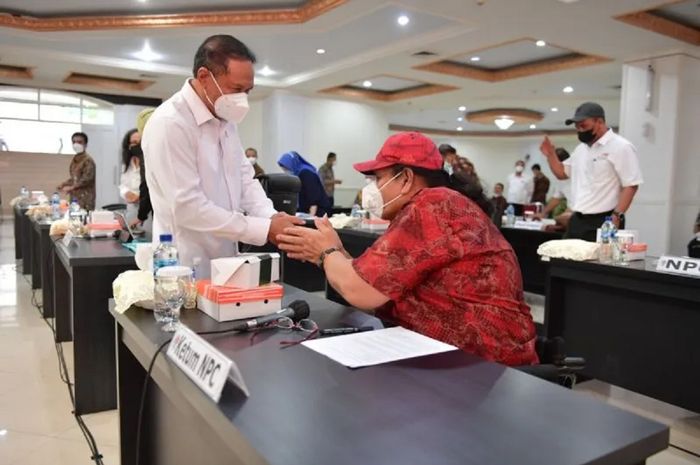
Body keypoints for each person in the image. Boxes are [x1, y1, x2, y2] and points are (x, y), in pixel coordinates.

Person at [276, 132, 538, 366]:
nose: (372, 188)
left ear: (406, 178)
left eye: (378, 178)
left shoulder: (433, 204)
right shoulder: (435, 205)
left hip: (480, 363)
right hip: (463, 355)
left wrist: (325, 253)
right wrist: (336, 251)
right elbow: (377, 285)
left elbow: (361, 292)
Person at [142, 34, 302, 275]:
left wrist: (271, 217)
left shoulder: (224, 117)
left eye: (247, 91)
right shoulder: (170, 123)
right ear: (204, 77)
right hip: (182, 267)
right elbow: (187, 207)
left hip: (227, 261)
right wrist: (263, 228)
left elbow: (245, 178)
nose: (242, 100)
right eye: (236, 89)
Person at [540, 102, 643, 241]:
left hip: (604, 220)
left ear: (599, 122)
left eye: (584, 126)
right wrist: (550, 154)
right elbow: (561, 173)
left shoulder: (621, 147)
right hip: (577, 218)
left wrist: (616, 216)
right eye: (577, 127)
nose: (580, 130)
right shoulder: (581, 150)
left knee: (596, 262)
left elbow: (631, 185)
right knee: (563, 260)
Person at [278, 151, 332, 217]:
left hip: (317, 213)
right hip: (309, 212)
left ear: (293, 164)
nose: (285, 171)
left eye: (286, 168)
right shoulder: (299, 173)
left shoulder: (306, 173)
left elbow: (313, 197)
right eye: (283, 169)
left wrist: (310, 217)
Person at [57, 132, 96, 210]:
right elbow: (75, 178)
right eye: (74, 142)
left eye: (80, 142)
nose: (76, 144)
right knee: (73, 219)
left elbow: (86, 179)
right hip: (75, 198)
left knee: (83, 220)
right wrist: (64, 184)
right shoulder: (75, 159)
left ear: (85, 144)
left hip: (85, 198)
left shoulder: (88, 160)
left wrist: (71, 187)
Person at [119, 128, 142, 219]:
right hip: (131, 209)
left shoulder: (151, 163)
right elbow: (122, 186)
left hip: (147, 211)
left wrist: (140, 197)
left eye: (140, 142)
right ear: (128, 145)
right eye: (134, 142)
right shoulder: (127, 163)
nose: (138, 146)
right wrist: (126, 193)